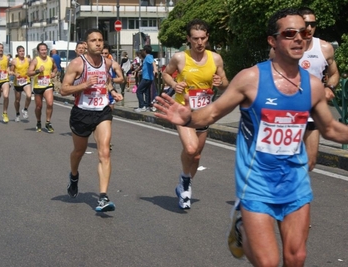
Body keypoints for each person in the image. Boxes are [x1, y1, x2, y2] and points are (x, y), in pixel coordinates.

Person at [154, 8, 348, 266]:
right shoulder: (251, 79)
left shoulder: (312, 85)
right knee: (267, 262)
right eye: (289, 33)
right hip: (257, 182)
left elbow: (331, 129)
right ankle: (243, 228)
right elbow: (212, 113)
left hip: (295, 180)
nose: (299, 38)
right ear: (273, 41)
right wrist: (188, 117)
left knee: (297, 256)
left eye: (303, 32)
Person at [161, 19, 228, 209]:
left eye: (203, 38)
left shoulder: (216, 59)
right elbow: (166, 73)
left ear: (207, 38)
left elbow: (225, 84)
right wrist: (175, 84)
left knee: (197, 156)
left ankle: (185, 183)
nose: (200, 42)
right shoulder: (180, 58)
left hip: (204, 112)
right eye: (195, 39)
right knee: (190, 149)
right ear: (188, 39)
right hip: (183, 111)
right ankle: (185, 180)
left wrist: (219, 82)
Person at [60, 28, 123, 212]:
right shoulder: (77, 64)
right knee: (78, 152)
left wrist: (112, 92)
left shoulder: (108, 63)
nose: (97, 43)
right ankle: (73, 176)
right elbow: (64, 89)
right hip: (82, 113)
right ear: (86, 44)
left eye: (100, 40)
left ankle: (103, 197)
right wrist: (85, 84)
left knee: (104, 152)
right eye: (93, 40)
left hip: (102, 111)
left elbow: (107, 82)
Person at [298, 7, 340, 171]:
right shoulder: (282, 47)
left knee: (310, 161)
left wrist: (329, 86)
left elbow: (334, 73)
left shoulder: (325, 48)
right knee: (288, 159)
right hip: (288, 110)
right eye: (305, 23)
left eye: (312, 24)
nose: (309, 28)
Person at [27, 42, 57, 133]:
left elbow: (55, 68)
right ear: (38, 51)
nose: (44, 51)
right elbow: (29, 73)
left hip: (48, 85)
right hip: (38, 86)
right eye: (42, 50)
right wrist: (38, 71)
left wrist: (54, 73)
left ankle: (48, 122)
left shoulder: (51, 59)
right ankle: (38, 122)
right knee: (39, 106)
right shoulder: (35, 60)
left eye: (45, 50)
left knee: (50, 103)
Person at [132, 45, 158, 112]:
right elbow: (142, 66)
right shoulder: (147, 58)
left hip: (146, 78)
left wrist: (155, 70)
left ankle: (142, 106)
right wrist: (135, 71)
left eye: (143, 50)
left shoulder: (148, 56)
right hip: (149, 78)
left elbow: (153, 63)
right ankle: (147, 106)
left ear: (145, 51)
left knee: (139, 91)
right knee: (147, 92)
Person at [11, 45, 32, 122]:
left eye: (23, 51)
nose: (22, 52)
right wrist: (15, 74)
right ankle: (17, 113)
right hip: (18, 82)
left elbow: (32, 68)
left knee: (29, 96)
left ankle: (25, 109)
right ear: (17, 52)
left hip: (26, 81)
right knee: (17, 100)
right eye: (20, 51)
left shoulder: (28, 60)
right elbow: (11, 71)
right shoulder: (14, 61)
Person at [102, 44, 124, 110]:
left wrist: (111, 80)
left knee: (108, 118)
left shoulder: (114, 64)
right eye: (102, 53)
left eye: (106, 53)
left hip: (109, 94)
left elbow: (121, 79)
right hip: (96, 95)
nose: (103, 55)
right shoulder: (94, 64)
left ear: (109, 54)